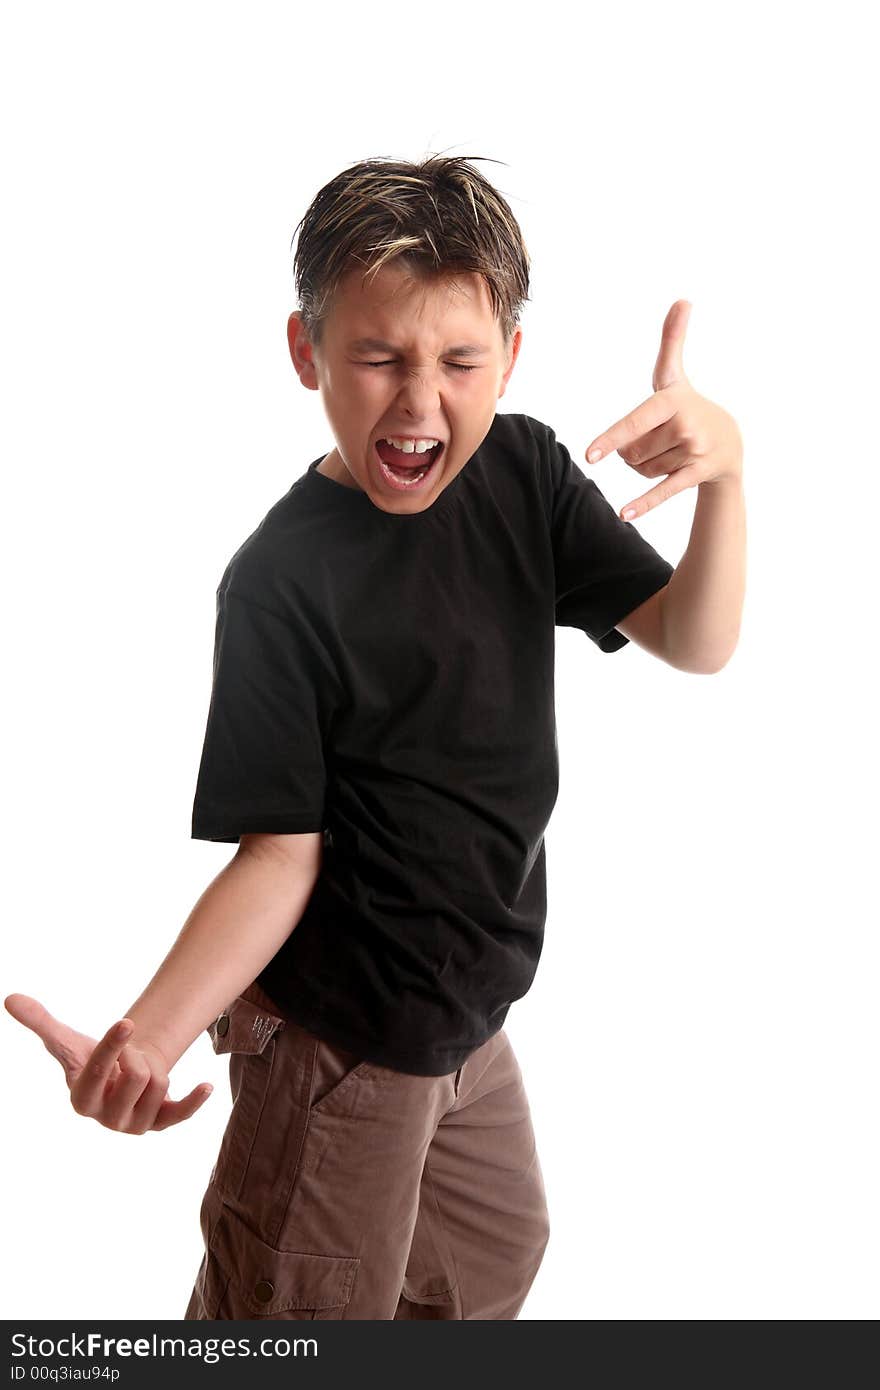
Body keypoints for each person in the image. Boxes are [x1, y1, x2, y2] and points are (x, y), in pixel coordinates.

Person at [5, 154, 746, 1320]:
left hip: (464, 1022)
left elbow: (694, 640)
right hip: (340, 1048)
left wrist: (726, 479)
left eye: (458, 361)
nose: (418, 402)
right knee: (298, 1312)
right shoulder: (281, 582)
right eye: (377, 356)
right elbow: (277, 855)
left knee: (491, 1255)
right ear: (306, 353)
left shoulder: (524, 473)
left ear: (509, 356)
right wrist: (152, 1031)